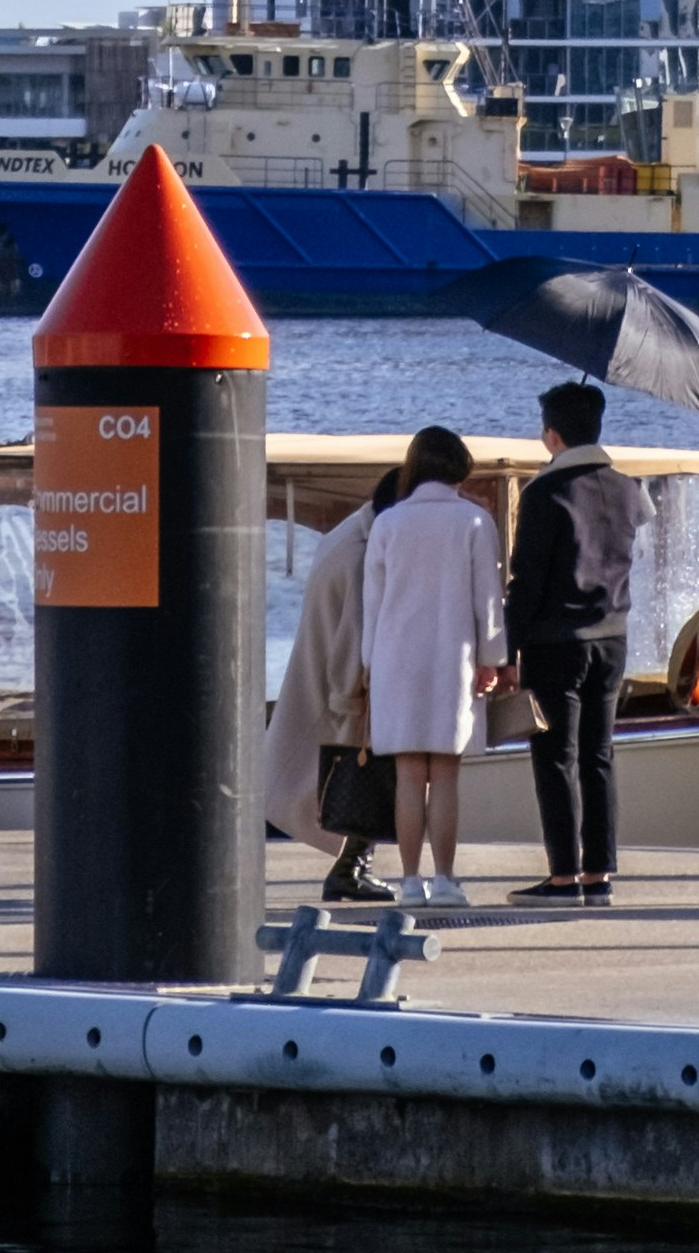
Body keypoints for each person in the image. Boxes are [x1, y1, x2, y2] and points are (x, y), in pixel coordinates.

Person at [504, 375, 644, 900]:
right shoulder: (629, 489)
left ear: (551, 436)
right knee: (598, 755)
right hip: (613, 637)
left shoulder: (546, 492)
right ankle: (599, 871)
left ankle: (563, 873)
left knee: (555, 757)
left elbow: (527, 580)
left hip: (555, 640)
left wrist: (507, 648)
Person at [359, 422, 507, 906]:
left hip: (395, 658)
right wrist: (493, 659)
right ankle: (444, 878)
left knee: (407, 774)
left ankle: (408, 880)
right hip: (454, 658)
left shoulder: (388, 523)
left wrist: (368, 663)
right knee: (444, 773)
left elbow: (373, 605)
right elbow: (488, 600)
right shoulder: (475, 521)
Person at [268, 462, 407, 900]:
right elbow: (355, 634)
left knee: (315, 780)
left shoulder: (349, 534)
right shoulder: (364, 557)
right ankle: (352, 866)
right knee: (358, 783)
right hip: (340, 689)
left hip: (317, 673)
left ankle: (352, 865)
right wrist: (356, 699)